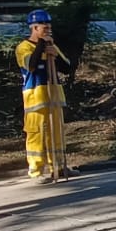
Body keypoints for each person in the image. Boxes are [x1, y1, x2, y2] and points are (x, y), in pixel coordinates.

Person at [15, 9, 72, 183]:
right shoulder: (23, 47)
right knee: (37, 134)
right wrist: (41, 46)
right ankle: (36, 171)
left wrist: (54, 53)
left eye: (49, 26)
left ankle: (58, 166)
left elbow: (67, 67)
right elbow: (31, 65)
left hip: (53, 95)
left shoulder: (51, 46)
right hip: (35, 97)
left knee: (56, 132)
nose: (48, 29)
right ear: (34, 28)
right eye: (44, 26)